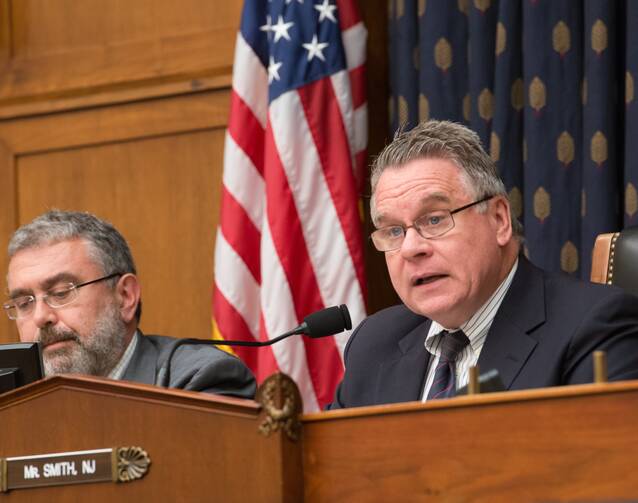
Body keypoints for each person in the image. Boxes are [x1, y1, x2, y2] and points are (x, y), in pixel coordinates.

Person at [329, 120, 638, 409]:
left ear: (499, 219)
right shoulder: (373, 344)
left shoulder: (593, 328)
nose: (410, 248)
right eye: (394, 231)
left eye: (435, 219)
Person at [3, 210, 256, 399]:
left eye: (61, 293)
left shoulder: (199, 380)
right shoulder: (13, 401)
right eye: (24, 303)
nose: (40, 317)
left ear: (125, 296)